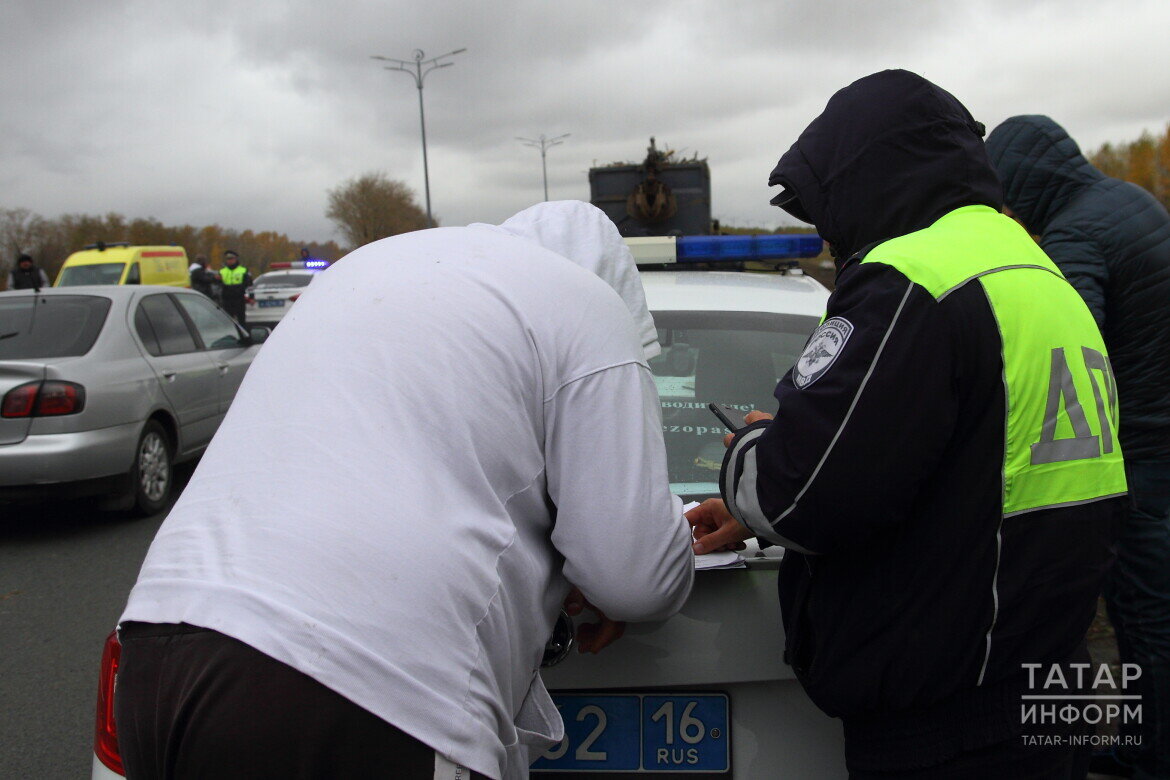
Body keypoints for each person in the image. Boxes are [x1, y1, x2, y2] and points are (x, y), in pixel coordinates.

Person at [113, 200, 694, 780]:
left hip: (156, 655)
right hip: (361, 688)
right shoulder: (586, 301)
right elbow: (635, 578)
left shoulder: (362, 271)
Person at [687, 69, 1126, 777]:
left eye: (828, 203)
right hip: (1050, 684)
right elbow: (971, 466)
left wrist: (754, 450)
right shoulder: (1037, 272)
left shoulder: (916, 278)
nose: (832, 230)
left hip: (947, 718)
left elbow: (799, 495)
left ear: (865, 178)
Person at [987, 115, 1170, 779]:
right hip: (1159, 439)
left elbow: (1068, 345)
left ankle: (1153, 761)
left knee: (1147, 619)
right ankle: (1139, 747)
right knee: (1145, 615)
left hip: (1141, 457)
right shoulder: (1128, 200)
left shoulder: (1076, 233)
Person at [218, 249, 252, 325]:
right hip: (227, 300)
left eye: (231, 259)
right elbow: (218, 286)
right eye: (228, 259)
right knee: (228, 322)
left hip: (239, 300)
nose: (230, 261)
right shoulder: (222, 271)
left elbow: (249, 286)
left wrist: (251, 297)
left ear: (236, 259)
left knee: (241, 321)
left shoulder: (243, 270)